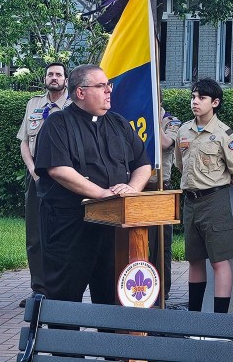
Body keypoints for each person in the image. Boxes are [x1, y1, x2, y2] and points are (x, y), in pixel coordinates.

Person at [34, 64, 152, 305]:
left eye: (109, 85)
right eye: (101, 86)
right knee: (64, 301)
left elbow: (143, 164)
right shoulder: (57, 124)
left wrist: (132, 190)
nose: (109, 90)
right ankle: (63, 343)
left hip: (113, 229)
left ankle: (106, 343)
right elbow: (59, 170)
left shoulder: (119, 123)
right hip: (70, 226)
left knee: (111, 299)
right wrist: (102, 194)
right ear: (80, 92)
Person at [174, 78, 233, 313]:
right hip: (190, 202)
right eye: (193, 97)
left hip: (215, 202)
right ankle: (194, 317)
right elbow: (180, 164)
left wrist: (214, 183)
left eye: (201, 98)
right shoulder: (183, 130)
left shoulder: (225, 134)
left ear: (215, 102)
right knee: (194, 260)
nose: (195, 102)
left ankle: (219, 324)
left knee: (219, 260)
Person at [16, 63, 69, 308]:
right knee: (35, 235)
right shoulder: (33, 104)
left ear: (66, 80)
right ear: (45, 78)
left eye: (59, 74)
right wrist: (33, 171)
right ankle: (39, 289)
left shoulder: (73, 106)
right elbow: (25, 142)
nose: (54, 78)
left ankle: (63, 288)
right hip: (37, 177)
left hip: (65, 179)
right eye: (50, 74)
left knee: (62, 234)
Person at [147, 106, 180, 302]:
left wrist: (153, 120)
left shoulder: (171, 121)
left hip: (160, 188)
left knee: (161, 244)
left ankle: (161, 290)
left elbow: (166, 143)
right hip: (137, 188)